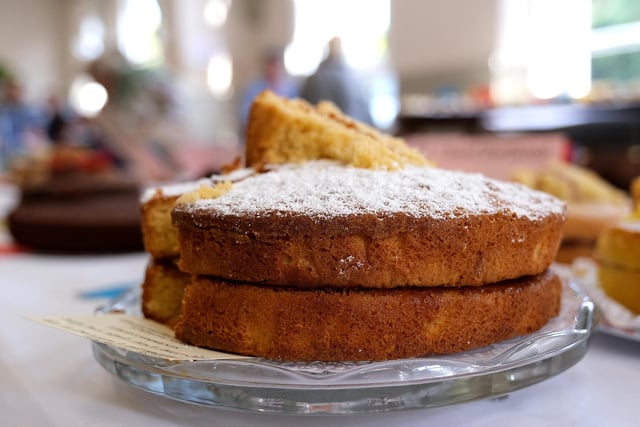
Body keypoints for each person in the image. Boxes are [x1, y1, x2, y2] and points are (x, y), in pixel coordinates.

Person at [299, 37, 372, 124]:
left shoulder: (314, 78)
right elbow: (365, 114)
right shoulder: (354, 80)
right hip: (349, 131)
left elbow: (302, 108)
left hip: (320, 130)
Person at [240, 47, 298, 129]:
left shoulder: (291, 88)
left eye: (276, 66)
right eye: (270, 66)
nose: (273, 70)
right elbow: (245, 115)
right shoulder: (253, 89)